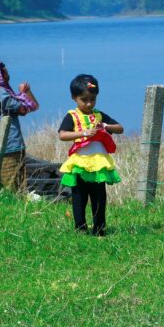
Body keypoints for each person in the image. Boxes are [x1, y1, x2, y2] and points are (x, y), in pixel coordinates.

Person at [58, 74, 123, 235]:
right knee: (79, 197)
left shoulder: (99, 115)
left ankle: (99, 228)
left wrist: (106, 126)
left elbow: (120, 128)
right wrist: (84, 133)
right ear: (74, 98)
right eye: (84, 99)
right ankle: (80, 228)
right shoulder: (72, 116)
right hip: (80, 164)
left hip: (99, 164)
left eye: (92, 99)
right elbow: (62, 135)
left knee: (99, 197)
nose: (88, 103)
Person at [0, 60, 39, 195]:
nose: (7, 74)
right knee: (14, 186)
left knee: (3, 183)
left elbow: (31, 105)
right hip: (10, 146)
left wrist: (23, 94)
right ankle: (14, 209)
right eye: (4, 72)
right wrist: (23, 93)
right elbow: (24, 109)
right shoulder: (1, 94)